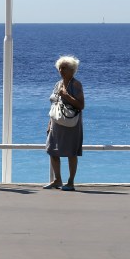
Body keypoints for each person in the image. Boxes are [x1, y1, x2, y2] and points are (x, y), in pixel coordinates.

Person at [43, 55, 85, 191]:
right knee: (52, 150)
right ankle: (57, 180)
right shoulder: (58, 84)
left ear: (72, 70)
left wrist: (66, 95)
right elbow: (55, 104)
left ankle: (71, 182)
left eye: (65, 68)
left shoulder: (76, 84)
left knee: (71, 152)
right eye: (60, 68)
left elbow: (81, 105)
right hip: (56, 122)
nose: (61, 70)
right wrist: (49, 123)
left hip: (71, 124)